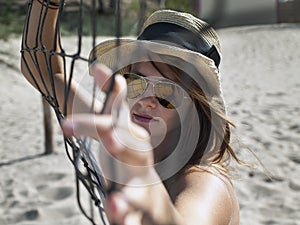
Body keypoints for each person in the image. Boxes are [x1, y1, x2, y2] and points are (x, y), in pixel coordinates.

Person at [21, 1, 241, 224]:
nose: (146, 101)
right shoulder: (121, 134)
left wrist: (153, 197)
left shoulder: (207, 181)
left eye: (167, 92)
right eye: (136, 82)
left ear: (195, 105)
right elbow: (42, 69)